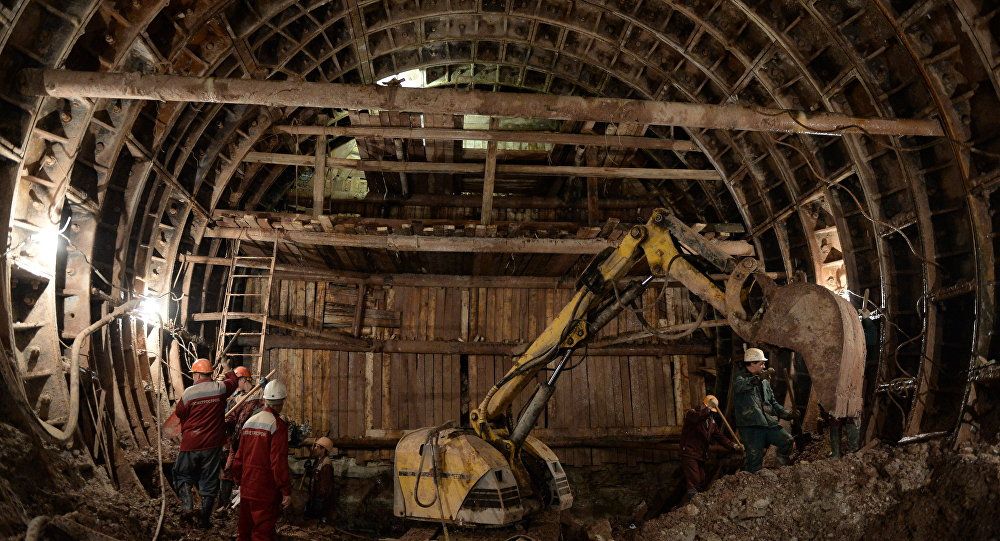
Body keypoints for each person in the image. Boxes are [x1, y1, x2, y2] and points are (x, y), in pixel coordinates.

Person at [173, 358, 239, 528]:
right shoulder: (220, 388)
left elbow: (179, 412)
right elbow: (233, 381)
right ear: (210, 373)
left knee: (182, 475)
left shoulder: (189, 392)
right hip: (212, 444)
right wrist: (226, 367)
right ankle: (204, 520)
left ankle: (187, 507)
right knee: (209, 481)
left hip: (191, 442)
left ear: (197, 374)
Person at [232, 380, 292, 541]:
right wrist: (285, 490)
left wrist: (239, 480)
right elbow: (278, 462)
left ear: (265, 399)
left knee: (244, 530)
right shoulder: (277, 425)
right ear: (281, 402)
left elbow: (238, 457)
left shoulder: (249, 422)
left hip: (247, 485)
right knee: (262, 532)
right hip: (265, 488)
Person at [732, 348, 797, 473]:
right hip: (751, 426)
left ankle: (781, 469)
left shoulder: (765, 382)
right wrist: (757, 379)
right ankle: (752, 481)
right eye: (761, 363)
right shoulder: (739, 378)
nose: (764, 366)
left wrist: (788, 415)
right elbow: (741, 386)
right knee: (754, 461)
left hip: (768, 423)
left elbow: (773, 403)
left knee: (787, 441)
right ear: (752, 363)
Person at [218, 366, 266, 512]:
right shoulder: (236, 396)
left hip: (250, 441)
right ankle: (223, 504)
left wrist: (265, 387)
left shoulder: (259, 393)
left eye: (237, 380)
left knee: (247, 471)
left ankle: (245, 504)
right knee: (228, 470)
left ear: (244, 379)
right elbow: (233, 417)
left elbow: (264, 408)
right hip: (236, 440)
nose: (234, 383)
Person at [679, 395, 743, 499]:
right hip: (689, 452)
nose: (710, 412)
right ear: (704, 406)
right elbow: (698, 418)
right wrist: (708, 408)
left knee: (702, 479)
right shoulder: (691, 414)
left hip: (700, 454)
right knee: (694, 479)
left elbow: (720, 437)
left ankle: (697, 500)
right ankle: (693, 500)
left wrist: (733, 445)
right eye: (709, 409)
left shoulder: (711, 422)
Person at [304, 436, 337, 520]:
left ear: (323, 449)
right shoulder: (318, 460)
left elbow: (325, 485)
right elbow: (314, 476)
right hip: (315, 495)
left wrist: (320, 500)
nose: (314, 448)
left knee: (319, 519)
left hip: (321, 499)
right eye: (315, 446)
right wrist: (309, 469)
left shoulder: (326, 464)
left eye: (317, 447)